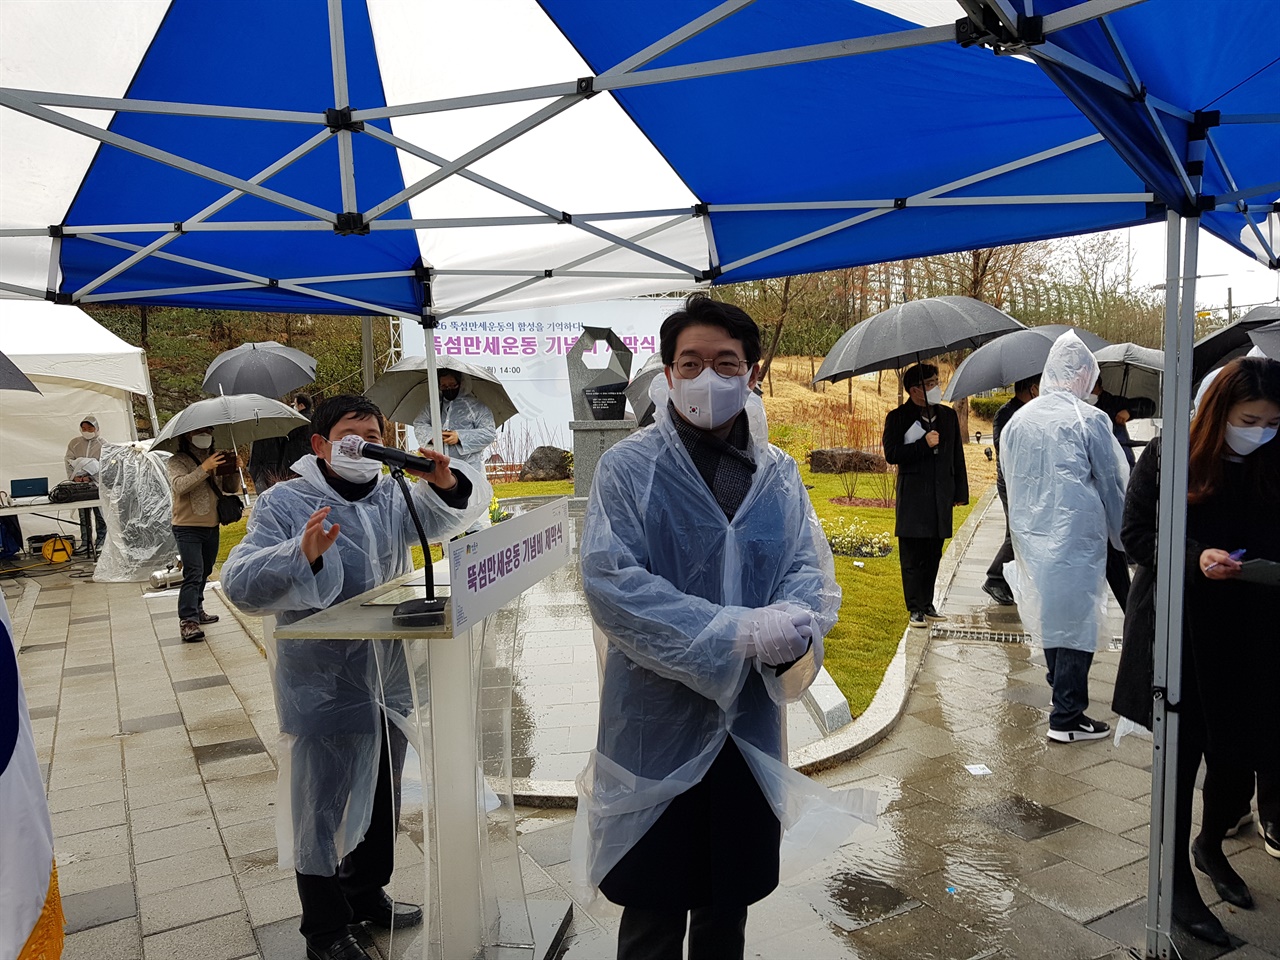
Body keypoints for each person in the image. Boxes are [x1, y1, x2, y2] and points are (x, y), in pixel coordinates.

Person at [572, 294, 872, 960]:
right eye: (691, 362)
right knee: (651, 910)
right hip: (656, 725)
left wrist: (793, 623)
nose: (708, 376)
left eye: (725, 361)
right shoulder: (629, 469)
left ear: (752, 371)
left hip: (747, 729)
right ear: (668, 373)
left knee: (725, 905)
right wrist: (732, 632)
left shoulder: (779, 474)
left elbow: (807, 570)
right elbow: (612, 584)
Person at [221, 395, 489, 960]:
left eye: (374, 431)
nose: (365, 441)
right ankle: (324, 928)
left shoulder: (392, 493)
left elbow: (447, 518)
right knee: (322, 802)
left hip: (387, 671)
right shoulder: (284, 503)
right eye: (352, 433)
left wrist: (443, 482)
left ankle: (367, 892)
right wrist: (303, 552)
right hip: (321, 678)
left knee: (383, 789)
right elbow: (239, 582)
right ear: (320, 444)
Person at [1112, 356, 1280, 945]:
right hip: (1180, 626)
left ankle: (1211, 842)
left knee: (1240, 752)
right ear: (1219, 412)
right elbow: (1135, 534)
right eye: (1249, 418)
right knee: (1182, 757)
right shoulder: (1169, 455)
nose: (1260, 430)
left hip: (1253, 626)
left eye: (1271, 421)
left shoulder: (1274, 458)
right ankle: (1175, 879)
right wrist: (1194, 555)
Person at [1000, 331, 1128, 743]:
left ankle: (1064, 698)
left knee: (1054, 616)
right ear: (1083, 376)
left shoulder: (1020, 419)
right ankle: (1067, 716)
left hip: (1032, 533)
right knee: (1077, 622)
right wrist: (1124, 535)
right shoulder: (1088, 420)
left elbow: (1008, 476)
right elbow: (1111, 482)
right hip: (1077, 536)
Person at [882, 363, 969, 628]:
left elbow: (957, 455)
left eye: (936, 381)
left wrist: (960, 492)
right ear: (915, 390)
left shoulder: (947, 416)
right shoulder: (897, 417)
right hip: (913, 496)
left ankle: (928, 603)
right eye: (930, 383)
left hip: (940, 495)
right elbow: (892, 454)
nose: (936, 387)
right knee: (912, 555)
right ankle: (915, 608)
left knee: (933, 553)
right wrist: (923, 444)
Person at [166, 428, 241, 642]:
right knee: (193, 572)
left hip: (211, 524)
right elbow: (180, 486)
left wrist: (233, 470)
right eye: (200, 432)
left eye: (208, 431)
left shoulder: (215, 457)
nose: (205, 435)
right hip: (186, 525)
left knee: (205, 570)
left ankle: (197, 608)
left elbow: (230, 488)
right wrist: (204, 468)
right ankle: (188, 621)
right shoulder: (177, 461)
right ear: (188, 435)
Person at [1090, 380, 1157, 612]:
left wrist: (1130, 412)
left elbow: (1149, 406)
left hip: (1121, 469)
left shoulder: (1113, 402)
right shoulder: (1079, 408)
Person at [412, 370, 496, 530]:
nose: (448, 388)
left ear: (461, 384)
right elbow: (420, 424)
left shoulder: (477, 408)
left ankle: (475, 541)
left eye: (452, 385)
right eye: (444, 385)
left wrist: (460, 437)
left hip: (470, 468)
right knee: (444, 514)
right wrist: (433, 436)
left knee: (472, 512)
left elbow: (489, 433)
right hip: (441, 469)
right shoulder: (433, 407)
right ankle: (448, 545)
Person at [982, 375, 1039, 605]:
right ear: (1033, 388)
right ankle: (995, 578)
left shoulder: (1033, 411)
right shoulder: (1006, 414)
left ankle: (1005, 580)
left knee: (1018, 532)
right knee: (1017, 532)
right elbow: (1003, 447)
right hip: (1012, 482)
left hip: (1028, 481)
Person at [65, 415, 106, 555]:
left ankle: (101, 542)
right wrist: (74, 477)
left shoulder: (104, 444)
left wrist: (91, 476)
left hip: (96, 485)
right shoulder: (75, 443)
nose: (86, 431)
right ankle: (85, 542)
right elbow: (69, 460)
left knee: (100, 514)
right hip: (80, 486)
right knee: (83, 514)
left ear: (96, 428)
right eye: (84, 428)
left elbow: (106, 466)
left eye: (90, 428)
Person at [280, 392, 314, 478]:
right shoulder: (315, 419)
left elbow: (288, 434)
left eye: (295, 404)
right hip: (311, 460)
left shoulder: (298, 421)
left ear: (301, 405)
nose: (293, 407)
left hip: (297, 460)